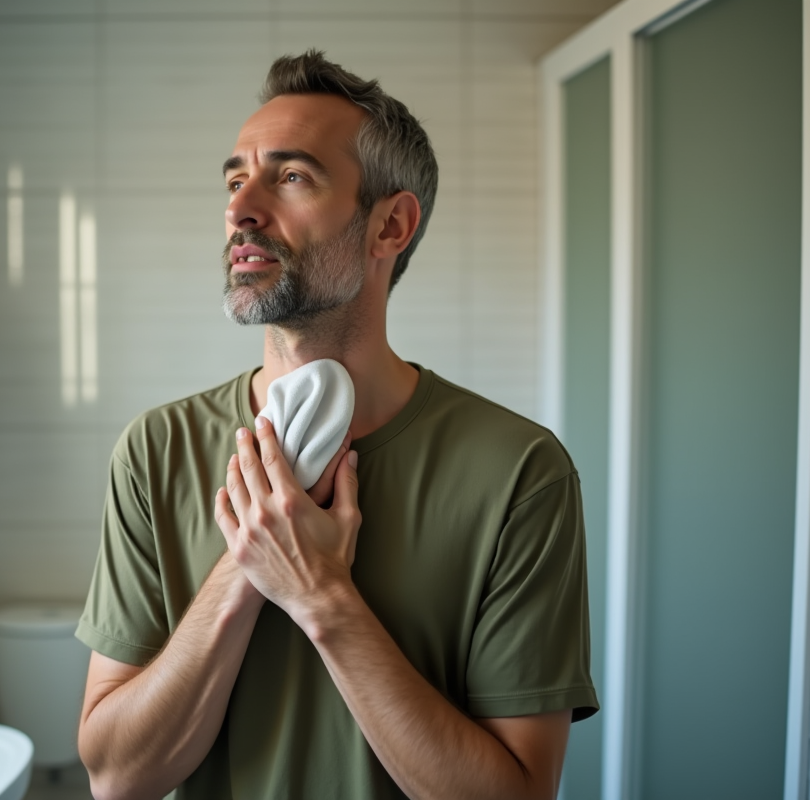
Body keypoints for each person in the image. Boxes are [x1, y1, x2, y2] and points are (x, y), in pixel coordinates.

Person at [74, 49, 597, 800]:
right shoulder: (156, 450)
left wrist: (322, 596)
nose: (240, 208)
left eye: (290, 177)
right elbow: (117, 778)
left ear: (391, 226)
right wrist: (247, 568)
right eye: (235, 179)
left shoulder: (519, 471)